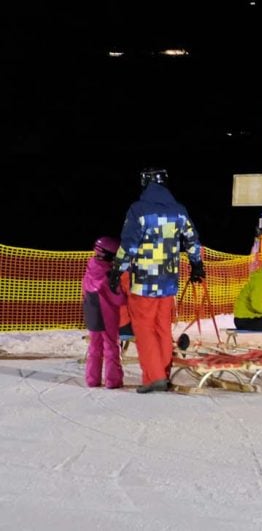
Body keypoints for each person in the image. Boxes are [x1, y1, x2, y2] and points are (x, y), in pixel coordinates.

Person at [109, 168, 205, 393]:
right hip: (169, 279)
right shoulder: (179, 210)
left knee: (144, 328)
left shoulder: (139, 210)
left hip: (144, 280)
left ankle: (154, 377)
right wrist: (197, 265)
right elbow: (192, 240)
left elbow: (129, 245)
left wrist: (117, 270)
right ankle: (163, 371)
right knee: (162, 327)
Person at [83, 236, 129, 389]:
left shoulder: (91, 267)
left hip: (91, 311)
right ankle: (112, 380)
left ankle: (92, 379)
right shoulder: (109, 275)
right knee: (110, 346)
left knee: (94, 346)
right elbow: (119, 299)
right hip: (106, 314)